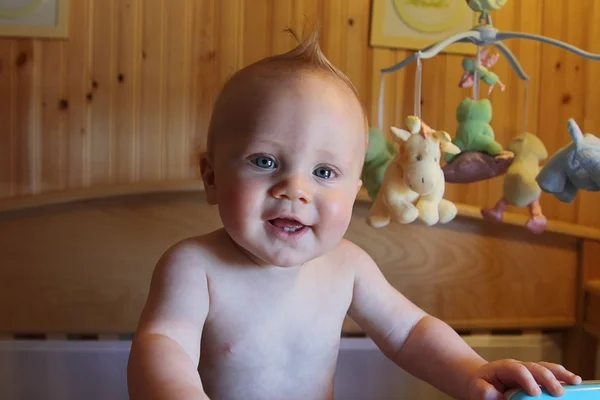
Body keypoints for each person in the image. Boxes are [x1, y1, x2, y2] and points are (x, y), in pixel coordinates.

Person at [127, 28, 581, 400]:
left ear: (356, 190)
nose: (295, 189)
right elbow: (163, 346)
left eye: (324, 171)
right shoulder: (193, 266)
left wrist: (471, 372)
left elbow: (411, 333)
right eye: (264, 161)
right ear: (210, 177)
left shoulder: (348, 266)